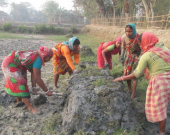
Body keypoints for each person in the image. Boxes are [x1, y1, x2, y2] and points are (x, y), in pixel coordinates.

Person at [114, 32, 170, 135]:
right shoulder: (165, 49)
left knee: (161, 109)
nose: (140, 46)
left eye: (141, 43)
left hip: (160, 82)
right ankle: (146, 111)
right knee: (163, 101)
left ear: (145, 41)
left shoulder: (147, 55)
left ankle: (161, 132)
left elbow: (137, 74)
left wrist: (121, 78)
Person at [1, 46, 53, 114]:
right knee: (21, 84)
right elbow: (37, 79)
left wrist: (34, 88)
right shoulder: (38, 60)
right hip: (10, 64)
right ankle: (30, 108)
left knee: (22, 80)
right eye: (49, 57)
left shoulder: (37, 56)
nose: (49, 60)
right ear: (45, 55)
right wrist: (47, 91)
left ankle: (19, 101)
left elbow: (33, 74)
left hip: (17, 63)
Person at [119, 23, 141, 99]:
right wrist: (121, 55)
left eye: (130, 31)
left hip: (136, 58)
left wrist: (140, 58)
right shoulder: (124, 37)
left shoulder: (138, 37)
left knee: (135, 75)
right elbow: (123, 48)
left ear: (134, 30)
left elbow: (141, 49)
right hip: (128, 58)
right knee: (127, 74)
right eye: (126, 31)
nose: (128, 33)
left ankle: (133, 94)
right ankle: (129, 89)